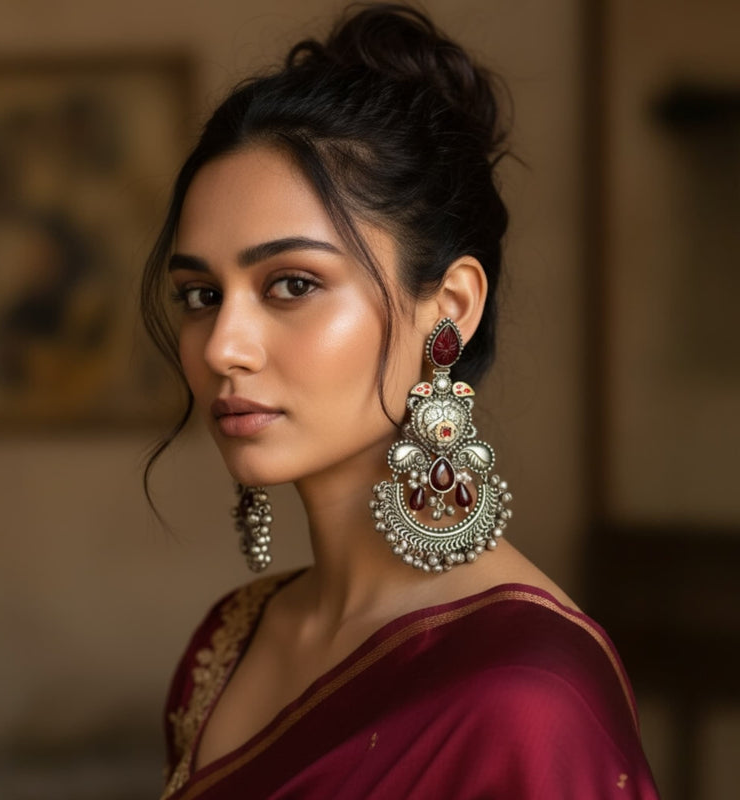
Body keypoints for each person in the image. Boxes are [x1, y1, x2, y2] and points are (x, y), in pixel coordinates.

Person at [141, 4, 660, 798]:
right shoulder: (229, 643)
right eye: (201, 294)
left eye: (291, 284)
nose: (221, 348)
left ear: (449, 307)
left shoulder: (524, 696)